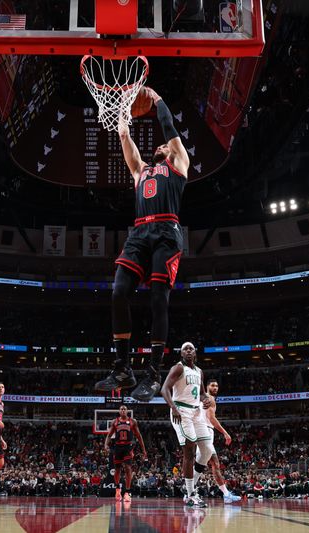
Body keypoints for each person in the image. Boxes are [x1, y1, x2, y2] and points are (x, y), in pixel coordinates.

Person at [95, 86, 190, 402]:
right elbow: (125, 139)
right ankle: (123, 367)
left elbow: (169, 128)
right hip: (138, 234)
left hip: (166, 231)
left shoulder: (178, 164)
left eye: (167, 144)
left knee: (158, 298)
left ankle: (153, 373)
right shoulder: (142, 171)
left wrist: (159, 99)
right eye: (161, 145)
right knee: (118, 291)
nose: (163, 144)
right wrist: (122, 112)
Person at [160, 342, 213, 508]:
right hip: (181, 410)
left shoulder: (199, 371)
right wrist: (173, 407)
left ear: (195, 353)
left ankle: (189, 485)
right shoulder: (178, 368)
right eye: (185, 349)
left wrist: (205, 400)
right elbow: (164, 389)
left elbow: (203, 393)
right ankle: (191, 495)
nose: (189, 351)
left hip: (196, 411)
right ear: (182, 353)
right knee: (189, 450)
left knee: (207, 450)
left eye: (191, 349)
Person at [200, 379, 242, 503]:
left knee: (201, 464)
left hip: (204, 431)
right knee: (214, 463)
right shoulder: (210, 399)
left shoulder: (204, 398)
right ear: (207, 386)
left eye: (217, 386)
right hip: (205, 431)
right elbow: (211, 418)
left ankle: (189, 492)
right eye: (213, 385)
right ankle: (226, 494)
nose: (215, 388)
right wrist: (225, 433)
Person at [104, 404, 147, 502]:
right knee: (117, 469)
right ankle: (117, 489)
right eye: (121, 409)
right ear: (119, 411)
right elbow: (109, 435)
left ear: (127, 411)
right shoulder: (115, 422)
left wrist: (143, 450)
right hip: (118, 447)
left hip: (128, 447)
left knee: (128, 468)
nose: (123, 410)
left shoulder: (133, 421)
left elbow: (139, 436)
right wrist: (106, 445)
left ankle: (127, 492)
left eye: (124, 409)